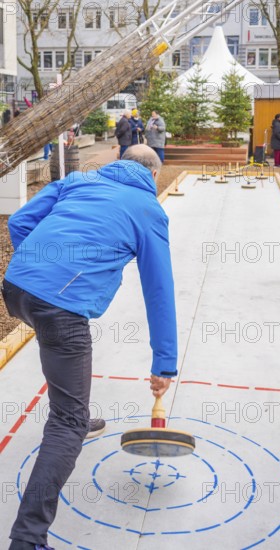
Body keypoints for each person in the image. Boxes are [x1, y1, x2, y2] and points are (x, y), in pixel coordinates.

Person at [2, 144, 177, 550]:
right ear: (154, 177)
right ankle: (27, 539)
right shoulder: (148, 209)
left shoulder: (79, 180)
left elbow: (22, 220)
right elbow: (159, 290)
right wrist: (164, 364)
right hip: (58, 308)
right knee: (65, 422)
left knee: (63, 363)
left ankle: (78, 414)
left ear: (120, 161)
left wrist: (40, 268)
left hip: (15, 289)